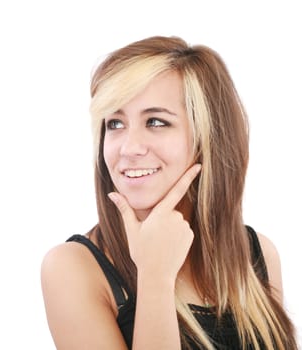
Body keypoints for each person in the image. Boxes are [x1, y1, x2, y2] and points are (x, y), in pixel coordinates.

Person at [40, 36, 298, 349]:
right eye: (115, 124)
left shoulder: (256, 253)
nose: (129, 148)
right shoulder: (73, 269)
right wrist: (155, 276)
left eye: (156, 121)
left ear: (207, 138)